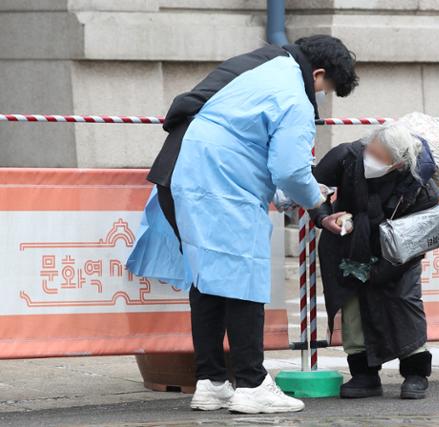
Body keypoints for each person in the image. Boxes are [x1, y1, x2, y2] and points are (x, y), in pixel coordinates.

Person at [126, 35, 358, 413]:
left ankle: (212, 381)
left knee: (207, 282)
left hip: (184, 175)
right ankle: (251, 383)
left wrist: (304, 199)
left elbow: (266, 159)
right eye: (325, 87)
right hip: (224, 189)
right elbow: (289, 169)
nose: (321, 96)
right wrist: (319, 203)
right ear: (318, 73)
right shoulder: (294, 97)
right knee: (244, 282)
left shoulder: (262, 68)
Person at [309, 121, 439, 400]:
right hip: (348, 244)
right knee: (352, 305)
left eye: (379, 158)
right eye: (370, 150)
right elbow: (311, 186)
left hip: (400, 249)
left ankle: (416, 373)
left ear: (398, 164)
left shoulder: (420, 187)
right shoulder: (347, 156)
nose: (371, 159)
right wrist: (323, 216)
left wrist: (382, 270)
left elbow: (419, 237)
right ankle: (363, 375)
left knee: (404, 300)